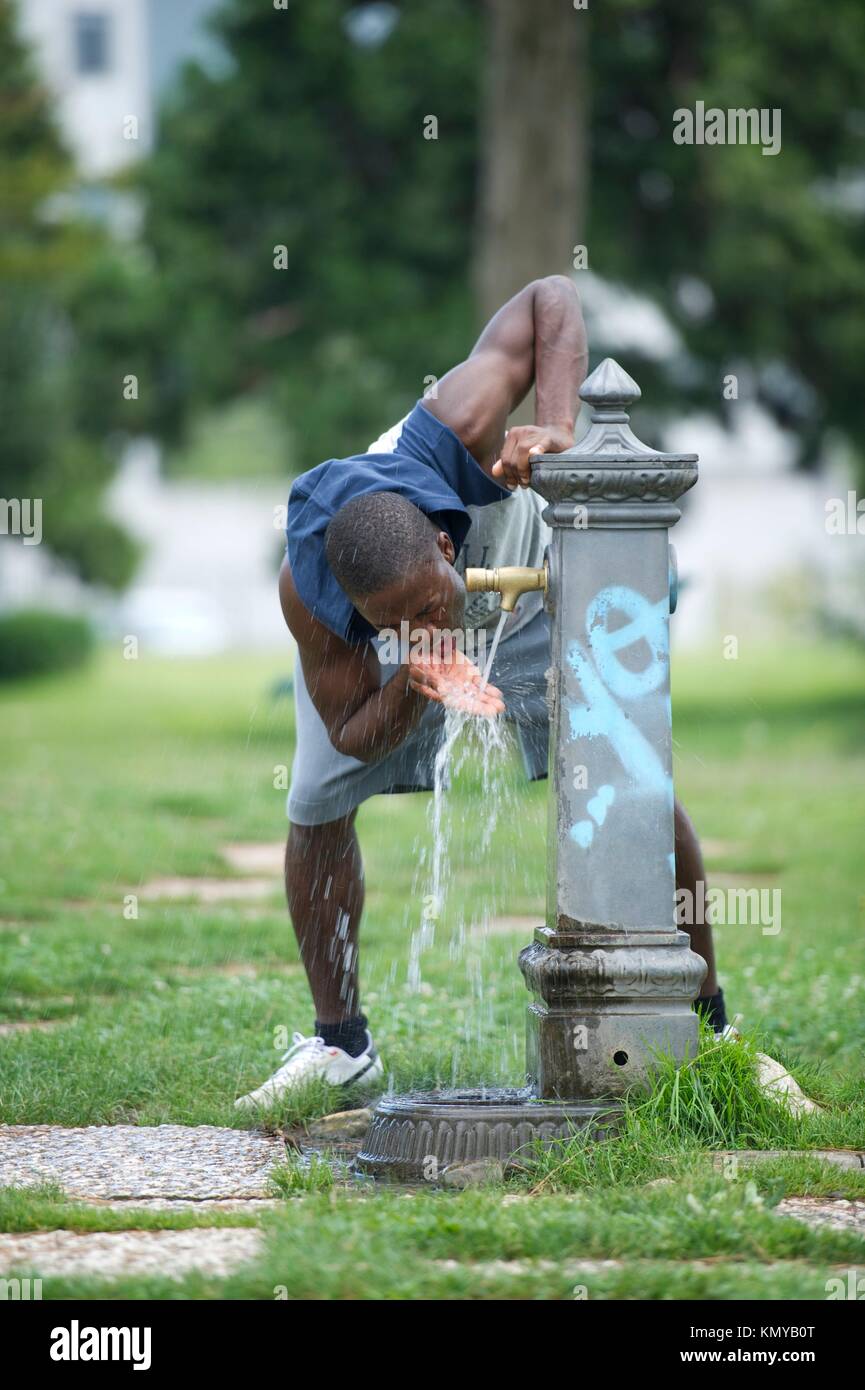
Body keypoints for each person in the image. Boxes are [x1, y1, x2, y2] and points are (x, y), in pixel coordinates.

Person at [235, 276, 725, 1110]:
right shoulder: (312, 598)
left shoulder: (457, 424)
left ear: (441, 540)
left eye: (428, 602)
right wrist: (415, 682)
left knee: (637, 775)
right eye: (397, 621)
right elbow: (352, 732)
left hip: (530, 590)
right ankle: (341, 1046)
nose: (425, 624)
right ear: (358, 613)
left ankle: (711, 1027)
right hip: (383, 671)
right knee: (315, 801)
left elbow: (549, 298)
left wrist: (559, 424)